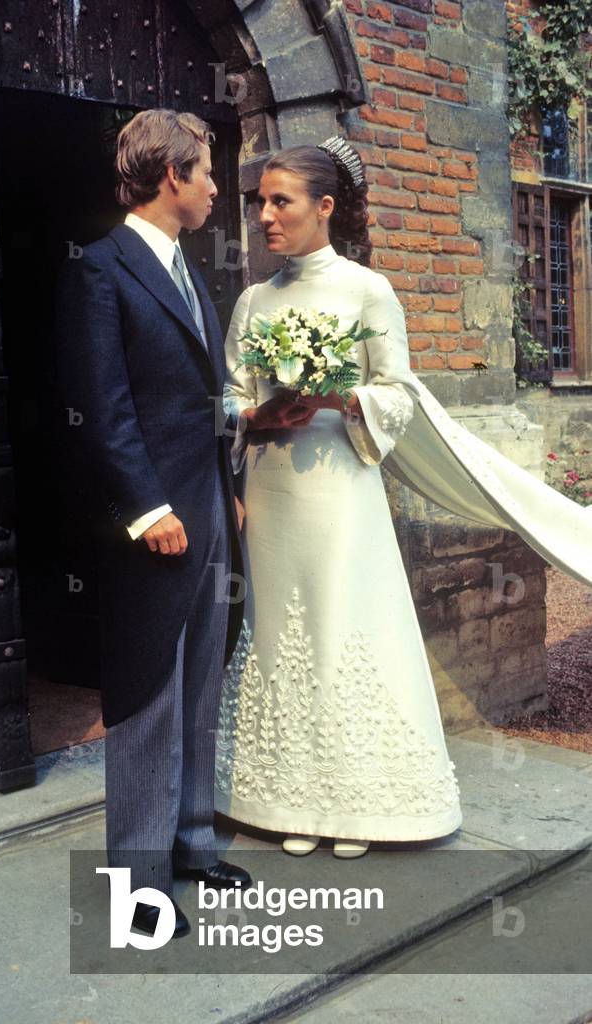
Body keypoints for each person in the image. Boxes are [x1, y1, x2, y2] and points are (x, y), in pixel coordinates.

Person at [214, 137, 592, 860]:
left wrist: (336, 395)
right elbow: (231, 399)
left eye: (279, 201)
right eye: (258, 201)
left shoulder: (366, 290)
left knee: (342, 630)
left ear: (323, 208)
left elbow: (396, 394)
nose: (264, 215)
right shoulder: (254, 299)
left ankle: (358, 806)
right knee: (280, 634)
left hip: (336, 488)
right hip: (272, 489)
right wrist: (259, 416)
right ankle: (290, 798)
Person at [55, 109, 250, 938]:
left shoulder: (187, 266)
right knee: (146, 697)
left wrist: (226, 483)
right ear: (171, 175)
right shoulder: (99, 270)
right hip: (155, 527)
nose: (214, 186)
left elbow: (193, 399)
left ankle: (193, 843)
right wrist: (146, 508)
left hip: (209, 509)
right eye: (205, 171)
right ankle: (136, 886)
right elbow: (103, 408)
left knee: (204, 682)